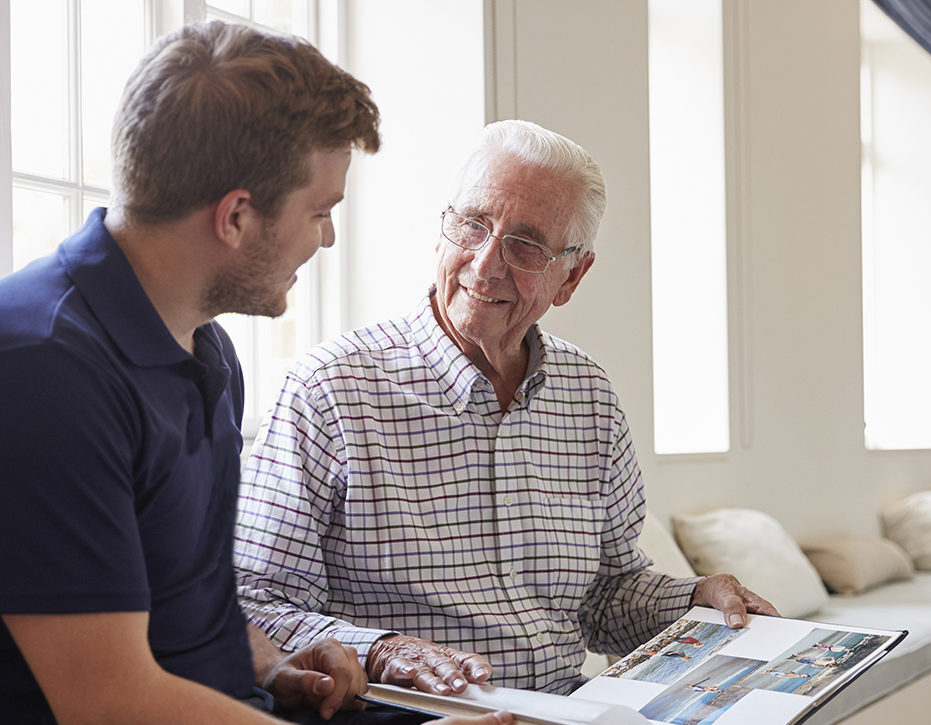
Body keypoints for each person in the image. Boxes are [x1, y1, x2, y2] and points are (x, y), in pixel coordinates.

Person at [0, 20, 509, 725]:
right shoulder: (42, 371)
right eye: (320, 212)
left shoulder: (206, 349)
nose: (327, 237)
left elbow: (185, 602)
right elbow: (108, 701)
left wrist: (273, 665)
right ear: (236, 216)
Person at [234, 119, 778, 697]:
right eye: (471, 224)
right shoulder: (331, 389)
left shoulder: (589, 398)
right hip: (416, 712)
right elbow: (254, 603)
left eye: (524, 244)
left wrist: (694, 598)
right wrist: (382, 651)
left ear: (571, 275)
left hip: (569, 707)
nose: (485, 263)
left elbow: (604, 596)